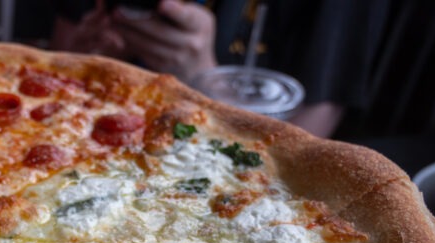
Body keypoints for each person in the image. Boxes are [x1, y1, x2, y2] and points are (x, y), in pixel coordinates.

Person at [51, 0, 392, 139]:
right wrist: (87, 56)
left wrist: (203, 78)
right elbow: (57, 53)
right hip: (80, 132)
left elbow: (309, 137)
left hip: (215, 165)